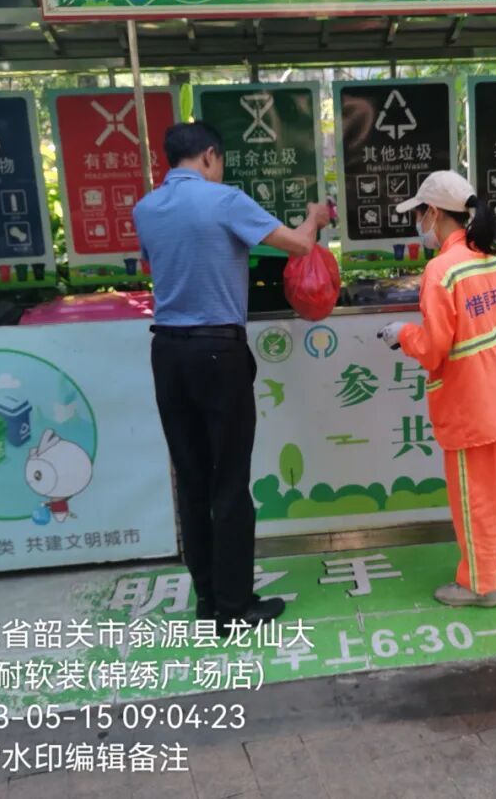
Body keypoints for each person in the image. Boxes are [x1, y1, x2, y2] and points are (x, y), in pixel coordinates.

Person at [133, 122, 330, 632]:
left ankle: (207, 599)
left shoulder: (146, 209)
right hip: (218, 353)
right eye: (219, 162)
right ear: (210, 156)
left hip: (167, 353)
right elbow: (298, 246)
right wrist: (314, 217)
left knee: (192, 480)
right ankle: (236, 606)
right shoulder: (224, 200)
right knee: (229, 481)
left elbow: (157, 265)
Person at [378, 171, 496, 608]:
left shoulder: (441, 270)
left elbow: (435, 349)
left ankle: (480, 586)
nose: (419, 224)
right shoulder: (487, 258)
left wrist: (402, 333)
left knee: (474, 500)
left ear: (432, 212)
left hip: (470, 408)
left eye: (419, 214)